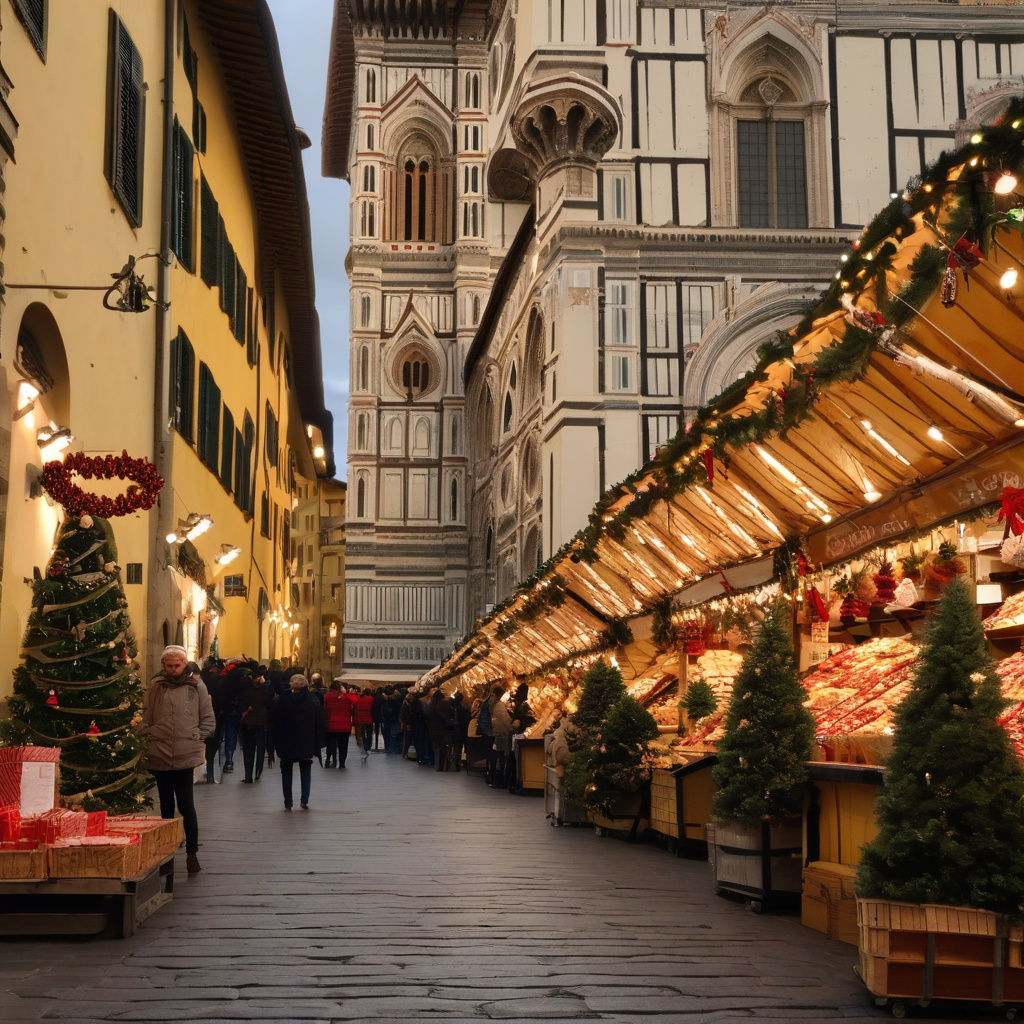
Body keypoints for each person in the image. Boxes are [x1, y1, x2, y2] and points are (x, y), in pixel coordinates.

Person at [139, 645, 215, 875]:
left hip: (185, 753)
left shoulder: (196, 686)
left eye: (177, 665)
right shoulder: (155, 687)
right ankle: (166, 857)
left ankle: (192, 854)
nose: (173, 670)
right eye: (169, 665)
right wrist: (148, 733)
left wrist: (197, 737)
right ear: (164, 665)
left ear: (184, 664)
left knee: (186, 806)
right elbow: (145, 715)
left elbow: (207, 717)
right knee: (165, 808)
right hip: (159, 752)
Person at [268, 675, 326, 810]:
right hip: (306, 741)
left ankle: (288, 802)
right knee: (305, 770)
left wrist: (273, 742)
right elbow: (321, 721)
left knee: (286, 772)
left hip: (286, 742)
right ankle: (304, 800)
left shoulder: (284, 698)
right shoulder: (312, 699)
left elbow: (273, 719)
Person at [238, 664, 271, 783]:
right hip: (260, 723)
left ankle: (248, 775)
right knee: (260, 749)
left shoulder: (245, 691)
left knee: (248, 750)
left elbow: (240, 706)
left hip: (248, 723)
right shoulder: (265, 691)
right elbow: (269, 704)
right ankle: (258, 773)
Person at [200, 658, 225, 783]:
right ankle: (209, 774)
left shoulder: (201, 680)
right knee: (212, 745)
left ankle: (206, 772)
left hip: (200, 716)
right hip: (215, 715)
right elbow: (221, 696)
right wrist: (221, 709)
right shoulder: (217, 680)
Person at [324, 679, 355, 768]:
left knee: (330, 743)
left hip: (331, 724)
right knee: (343, 746)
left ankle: (328, 759)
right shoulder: (347, 697)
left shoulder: (327, 696)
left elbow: (325, 709)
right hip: (345, 725)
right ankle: (342, 763)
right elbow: (354, 706)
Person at [489, 685, 513, 788]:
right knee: (501, 758)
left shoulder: (492, 703)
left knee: (497, 758)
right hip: (501, 734)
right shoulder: (499, 706)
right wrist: (512, 727)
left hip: (496, 733)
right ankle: (499, 780)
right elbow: (505, 720)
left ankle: (494, 779)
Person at [353, 686, 375, 762]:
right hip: (369, 719)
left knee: (362, 733)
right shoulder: (371, 699)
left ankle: (364, 744)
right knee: (369, 733)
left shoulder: (357, 699)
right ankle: (368, 746)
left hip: (359, 719)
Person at [450, 691, 470, 772]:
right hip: (463, 731)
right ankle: (465, 764)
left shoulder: (451, 709)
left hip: (455, 731)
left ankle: (456, 765)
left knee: (457, 749)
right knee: (465, 749)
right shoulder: (465, 710)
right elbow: (467, 721)